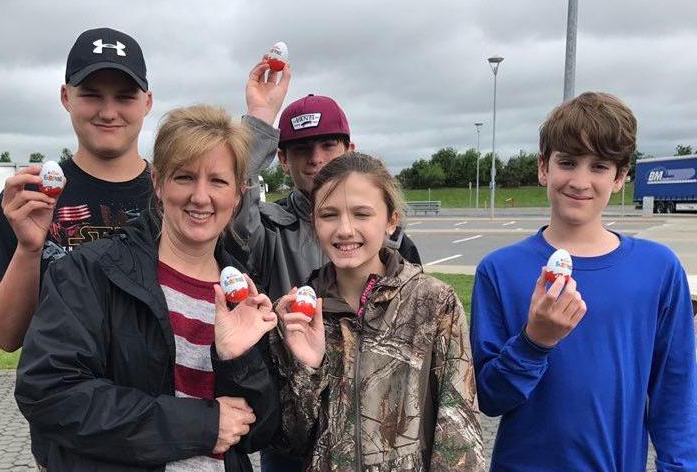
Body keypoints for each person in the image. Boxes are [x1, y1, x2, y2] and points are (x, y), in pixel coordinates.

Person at [0, 27, 288, 353]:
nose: (109, 112)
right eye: (91, 95)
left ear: (147, 102)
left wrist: (260, 118)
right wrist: (29, 249)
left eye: (124, 97)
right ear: (66, 97)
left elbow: (231, 193)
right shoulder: (32, 200)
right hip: (65, 377)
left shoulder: (181, 200)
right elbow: (6, 337)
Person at [15, 105, 280, 471]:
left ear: (238, 194)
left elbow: (258, 431)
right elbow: (48, 392)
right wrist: (198, 425)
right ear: (158, 182)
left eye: (218, 181)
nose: (200, 196)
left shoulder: (244, 293)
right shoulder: (91, 272)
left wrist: (239, 361)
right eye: (184, 177)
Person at [470, 92, 697, 471]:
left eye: (599, 166)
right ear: (543, 168)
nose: (580, 181)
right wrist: (534, 342)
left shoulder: (658, 269)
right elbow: (489, 398)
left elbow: (676, 391)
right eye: (567, 162)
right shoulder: (498, 270)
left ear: (621, 176)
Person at [270, 152, 484, 471]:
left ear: (391, 221)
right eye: (329, 215)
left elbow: (459, 437)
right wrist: (308, 371)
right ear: (314, 222)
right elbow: (289, 441)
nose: (345, 229)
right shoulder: (296, 316)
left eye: (361, 214)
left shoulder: (435, 303)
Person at [228, 93, 421, 305]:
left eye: (328, 145)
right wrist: (258, 122)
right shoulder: (266, 228)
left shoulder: (393, 241)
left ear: (350, 151)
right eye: (302, 149)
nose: (315, 158)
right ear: (283, 159)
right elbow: (234, 204)